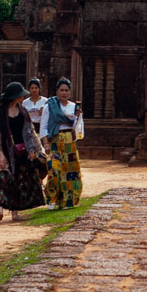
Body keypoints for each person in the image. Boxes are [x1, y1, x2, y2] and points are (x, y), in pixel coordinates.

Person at [0, 82, 47, 221]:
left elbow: (30, 131)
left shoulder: (23, 111)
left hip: (22, 150)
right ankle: (0, 208)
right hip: (6, 150)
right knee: (3, 179)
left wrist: (35, 149)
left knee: (19, 180)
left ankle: (15, 212)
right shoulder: (1, 112)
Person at [40, 77, 83, 210]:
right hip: (55, 141)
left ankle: (67, 201)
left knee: (70, 172)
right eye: (61, 90)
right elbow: (44, 126)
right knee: (54, 170)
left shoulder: (73, 107)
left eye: (66, 90)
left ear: (70, 92)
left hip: (69, 142)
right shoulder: (50, 106)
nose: (64, 93)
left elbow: (77, 127)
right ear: (57, 92)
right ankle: (52, 198)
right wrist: (45, 143)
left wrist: (78, 116)